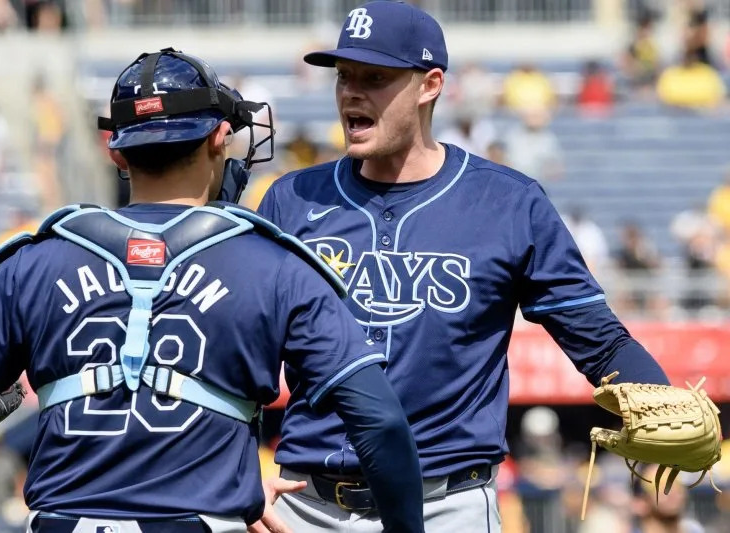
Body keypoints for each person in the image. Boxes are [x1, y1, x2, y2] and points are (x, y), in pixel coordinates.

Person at [0, 48, 424, 533]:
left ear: (116, 151)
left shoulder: (34, 261)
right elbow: (378, 421)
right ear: (219, 137)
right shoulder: (275, 265)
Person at [254, 2, 672, 532]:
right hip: (305, 506)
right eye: (344, 77)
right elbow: (240, 355)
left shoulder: (508, 203)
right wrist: (240, 475)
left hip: (447, 507)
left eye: (375, 77)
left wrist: (661, 405)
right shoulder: (292, 198)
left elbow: (601, 342)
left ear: (430, 85)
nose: (351, 93)